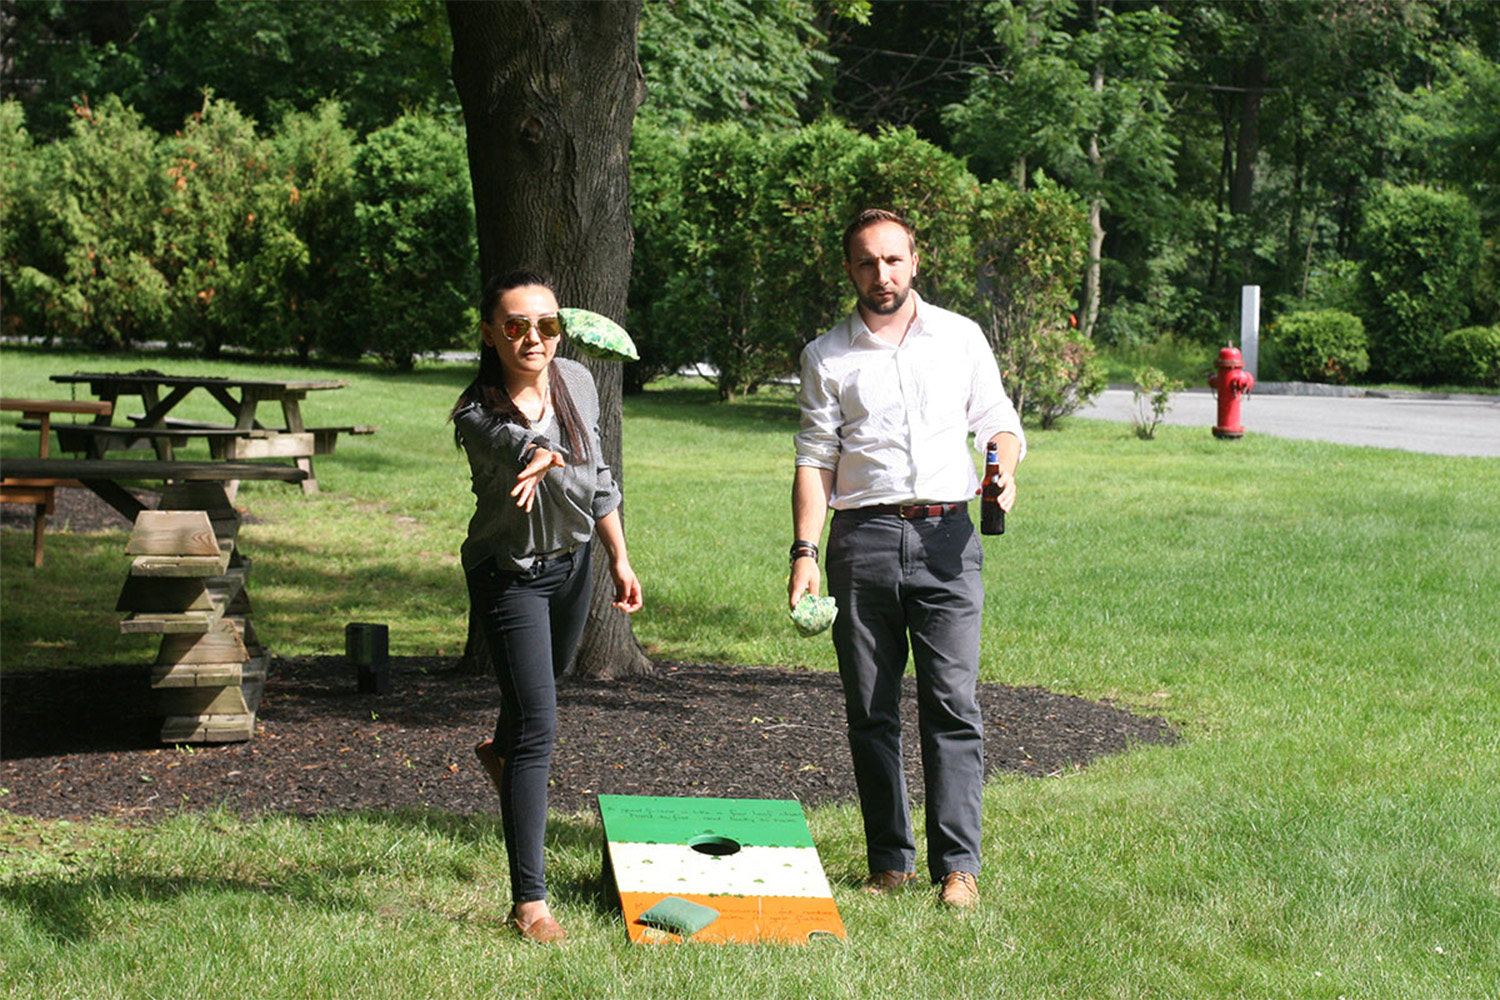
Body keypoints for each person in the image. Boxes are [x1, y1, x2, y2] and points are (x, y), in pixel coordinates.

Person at [788, 209, 1024, 908]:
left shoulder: (960, 337)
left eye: (893, 260)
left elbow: (999, 421)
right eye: (867, 262)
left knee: (952, 703)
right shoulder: (827, 356)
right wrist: (805, 551)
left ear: (915, 261)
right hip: (860, 542)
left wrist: (1004, 469)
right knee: (870, 709)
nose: (881, 275)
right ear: (849, 269)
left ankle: (959, 868)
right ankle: (889, 859)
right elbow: (813, 460)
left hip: (949, 539)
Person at [452, 270, 643, 943]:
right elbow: (517, 445)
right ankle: (529, 903)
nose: (533, 338)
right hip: (509, 575)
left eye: (547, 324)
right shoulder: (476, 412)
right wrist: (538, 451)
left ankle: (500, 752)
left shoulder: (579, 383)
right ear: (490, 333)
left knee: (540, 694)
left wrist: (618, 556)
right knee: (541, 724)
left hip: (575, 566)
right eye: (516, 325)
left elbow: (598, 476)